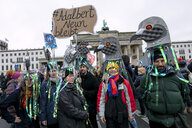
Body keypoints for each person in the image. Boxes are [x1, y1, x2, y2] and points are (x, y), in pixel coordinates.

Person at [140, 49, 189, 128]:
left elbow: (185, 93)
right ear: (152, 62)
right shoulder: (146, 79)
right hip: (156, 120)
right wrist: (151, 108)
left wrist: (180, 106)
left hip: (175, 119)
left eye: (163, 61)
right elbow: (143, 97)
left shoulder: (177, 76)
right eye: (157, 61)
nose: (160, 64)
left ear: (167, 61)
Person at [97, 62, 136, 128]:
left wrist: (131, 114)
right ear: (107, 70)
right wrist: (101, 114)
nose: (112, 70)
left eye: (114, 68)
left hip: (122, 114)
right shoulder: (104, 83)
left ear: (117, 69)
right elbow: (101, 99)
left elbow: (129, 99)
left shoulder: (124, 82)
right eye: (110, 68)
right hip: (110, 115)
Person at [79, 63, 100, 128]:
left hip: (91, 107)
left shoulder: (93, 78)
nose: (82, 68)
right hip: (81, 107)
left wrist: (85, 92)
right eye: (81, 67)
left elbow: (97, 92)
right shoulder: (79, 78)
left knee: (93, 123)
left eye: (84, 67)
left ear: (87, 68)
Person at [39, 62, 59, 128]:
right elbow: (43, 102)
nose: (53, 73)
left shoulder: (60, 82)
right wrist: (43, 117)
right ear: (48, 72)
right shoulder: (45, 84)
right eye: (51, 71)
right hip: (51, 115)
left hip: (61, 116)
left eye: (54, 71)